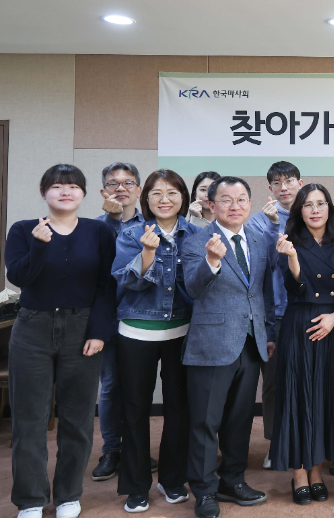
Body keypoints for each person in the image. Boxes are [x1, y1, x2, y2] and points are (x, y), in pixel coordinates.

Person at [6, 164, 116, 518]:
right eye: (56, 186)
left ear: (83, 194)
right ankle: (31, 499)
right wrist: (39, 246)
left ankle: (69, 494)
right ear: (44, 193)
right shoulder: (24, 230)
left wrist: (99, 332)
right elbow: (20, 277)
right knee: (29, 419)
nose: (64, 191)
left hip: (81, 329)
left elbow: (106, 286)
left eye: (72, 186)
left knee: (77, 418)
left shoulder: (99, 232)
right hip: (32, 328)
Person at [180, 176, 277, 518]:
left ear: (249, 204)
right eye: (226, 200)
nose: (234, 206)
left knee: (239, 420)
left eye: (240, 200)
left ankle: (232, 479)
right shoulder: (196, 241)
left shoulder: (259, 239)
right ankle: (204, 490)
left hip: (251, 342)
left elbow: (261, 292)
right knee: (205, 422)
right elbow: (192, 288)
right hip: (212, 343)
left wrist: (269, 331)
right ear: (211, 204)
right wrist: (211, 262)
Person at [111, 169, 200, 512]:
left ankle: (172, 479)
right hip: (136, 331)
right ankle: (136, 486)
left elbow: (197, 284)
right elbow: (125, 281)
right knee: (134, 410)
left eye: (173, 193)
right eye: (157, 193)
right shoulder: (132, 232)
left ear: (183, 198)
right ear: (146, 198)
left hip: (181, 331)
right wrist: (147, 254)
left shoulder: (195, 234)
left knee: (180, 410)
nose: (165, 199)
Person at [268, 184, 334, 505]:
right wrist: (291, 258)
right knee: (298, 397)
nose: (315, 210)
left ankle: (317, 470)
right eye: (308, 205)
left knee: (324, 399)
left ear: (330, 210)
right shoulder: (288, 243)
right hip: (300, 325)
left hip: (333, 327)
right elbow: (295, 286)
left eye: (321, 204)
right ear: (299, 211)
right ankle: (299, 474)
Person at [92, 162, 150, 483]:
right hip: (109, 317)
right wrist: (113, 220)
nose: (121, 188)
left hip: (142, 315)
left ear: (139, 190)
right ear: (104, 192)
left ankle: (136, 449)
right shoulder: (95, 228)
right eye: (113, 184)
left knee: (139, 386)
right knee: (111, 386)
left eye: (129, 183)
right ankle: (111, 449)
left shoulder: (151, 224)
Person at [247, 161, 304, 469]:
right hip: (276, 315)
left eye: (289, 180)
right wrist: (272, 227)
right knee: (273, 384)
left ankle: (306, 440)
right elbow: (265, 265)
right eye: (277, 183)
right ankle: (275, 442)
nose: (284, 187)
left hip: (309, 312)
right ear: (269, 188)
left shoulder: (313, 213)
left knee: (309, 379)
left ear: (300, 182)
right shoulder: (258, 221)